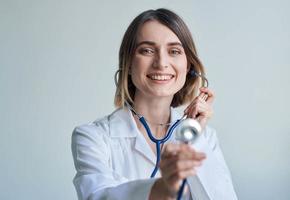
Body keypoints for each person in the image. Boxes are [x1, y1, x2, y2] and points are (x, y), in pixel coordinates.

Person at [71, 8, 238, 200]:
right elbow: (98, 196)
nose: (161, 63)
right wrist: (163, 188)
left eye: (174, 51)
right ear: (128, 63)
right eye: (147, 50)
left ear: (189, 65)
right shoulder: (94, 137)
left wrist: (193, 140)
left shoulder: (205, 137)